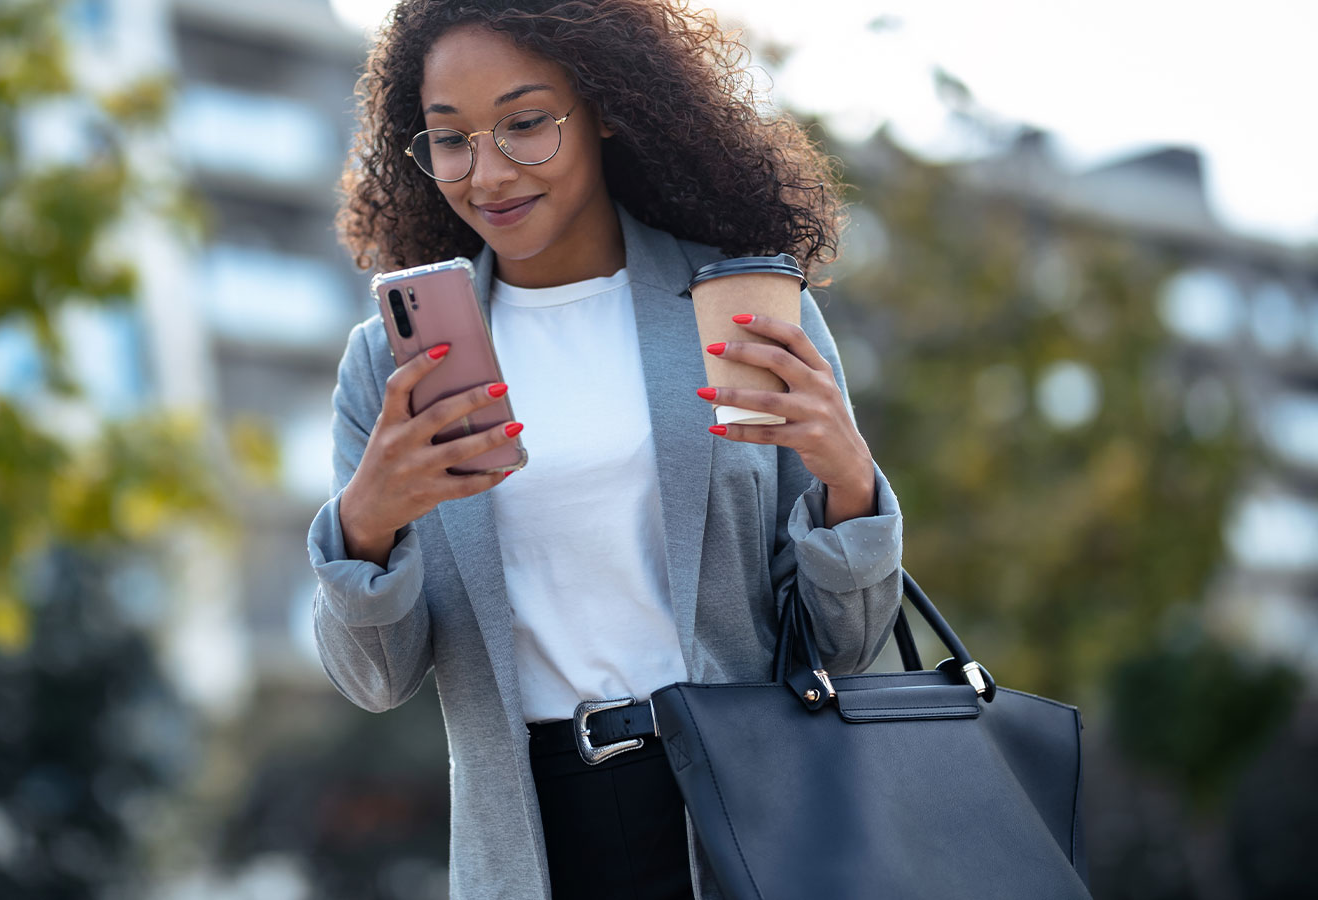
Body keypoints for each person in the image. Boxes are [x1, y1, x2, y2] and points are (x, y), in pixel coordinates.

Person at [308, 1, 904, 897]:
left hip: (742, 817)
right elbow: (375, 680)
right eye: (450, 138)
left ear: (608, 106)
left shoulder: (736, 310)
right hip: (534, 841)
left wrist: (851, 486)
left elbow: (846, 647)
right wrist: (364, 527)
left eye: (525, 124)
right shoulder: (389, 368)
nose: (488, 172)